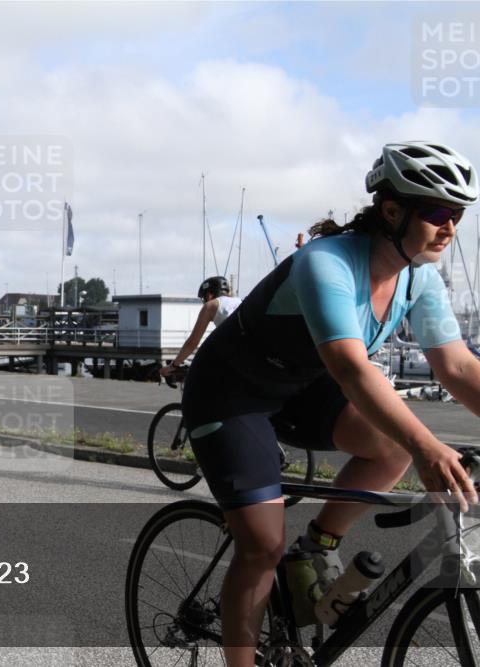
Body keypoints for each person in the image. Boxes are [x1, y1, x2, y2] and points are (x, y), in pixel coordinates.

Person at [180, 141, 480, 666]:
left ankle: (317, 546)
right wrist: (430, 446)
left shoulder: (418, 278)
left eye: (457, 214)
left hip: (301, 389)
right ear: (392, 211)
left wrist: (419, 445)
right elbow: (350, 368)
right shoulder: (326, 263)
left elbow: (455, 367)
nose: (450, 227)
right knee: (261, 546)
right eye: (437, 212)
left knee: (391, 448)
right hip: (231, 394)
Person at [160, 275, 242, 376]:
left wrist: (173, 366)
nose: (204, 302)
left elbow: (192, 343)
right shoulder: (240, 301)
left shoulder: (211, 305)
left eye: (203, 299)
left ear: (209, 295)